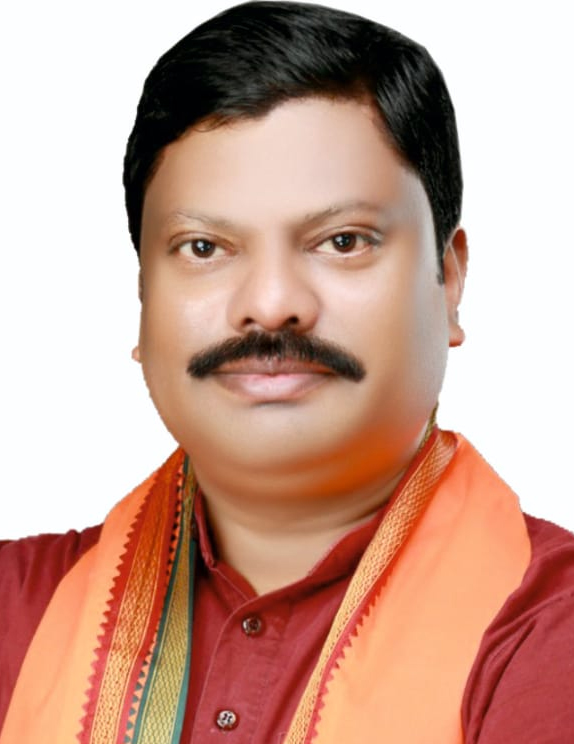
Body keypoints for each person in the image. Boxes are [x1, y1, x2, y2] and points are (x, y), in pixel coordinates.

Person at [1, 2, 573, 742]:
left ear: (450, 279)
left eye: (343, 241)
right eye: (204, 248)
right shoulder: (18, 611)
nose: (271, 306)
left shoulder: (550, 634)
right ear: (143, 296)